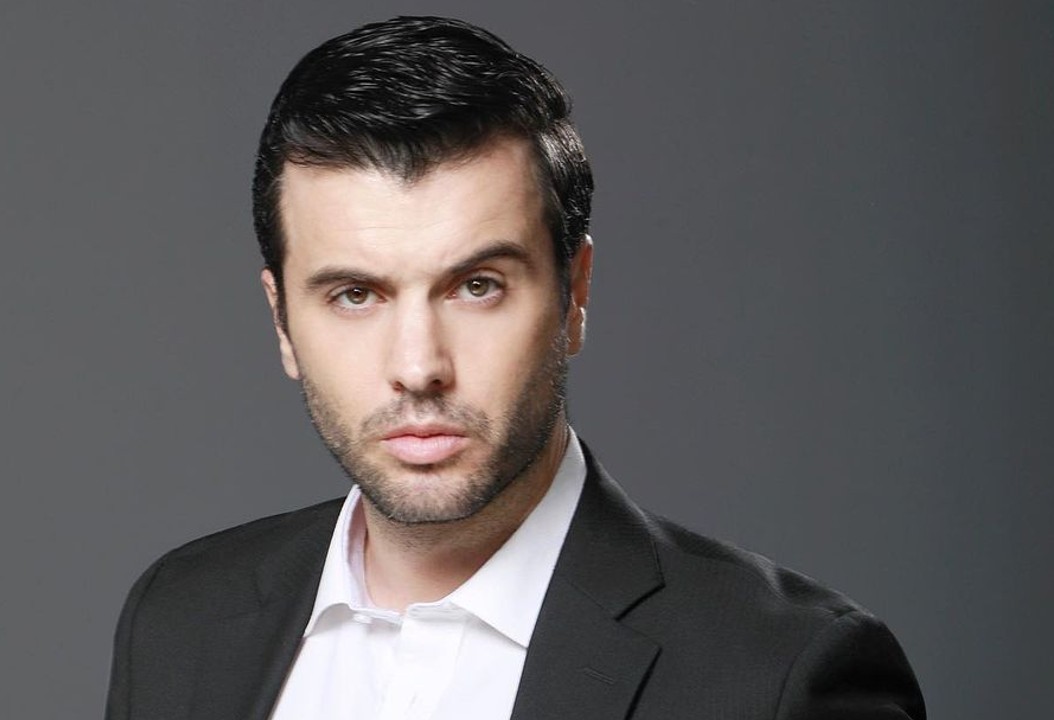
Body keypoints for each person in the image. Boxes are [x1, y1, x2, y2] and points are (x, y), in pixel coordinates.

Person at [104, 16, 925, 720]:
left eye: (477, 286)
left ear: (575, 295)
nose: (418, 366)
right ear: (282, 320)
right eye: (356, 295)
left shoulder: (782, 677)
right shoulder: (179, 620)